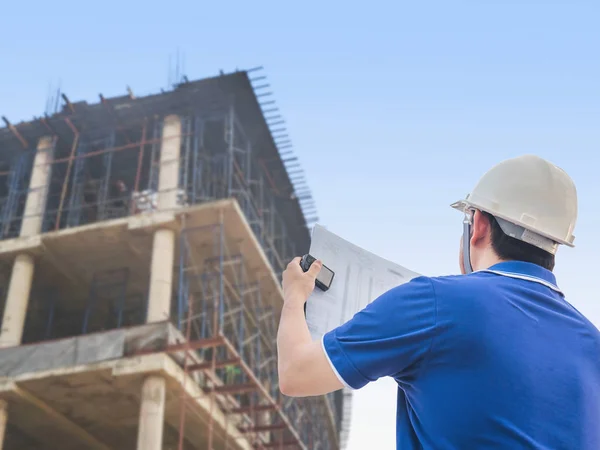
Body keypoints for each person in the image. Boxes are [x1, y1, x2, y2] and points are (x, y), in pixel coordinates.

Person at [277, 155, 600, 449]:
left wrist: (294, 295)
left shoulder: (434, 301)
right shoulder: (592, 342)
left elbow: (297, 373)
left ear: (478, 226)